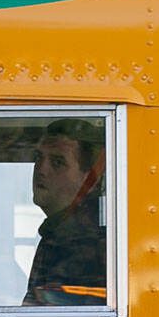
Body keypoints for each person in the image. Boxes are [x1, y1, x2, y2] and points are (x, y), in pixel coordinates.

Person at [23, 118, 108, 305]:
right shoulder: (59, 231)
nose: (41, 170)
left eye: (57, 162)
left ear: (90, 178)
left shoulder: (91, 238)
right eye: (38, 158)